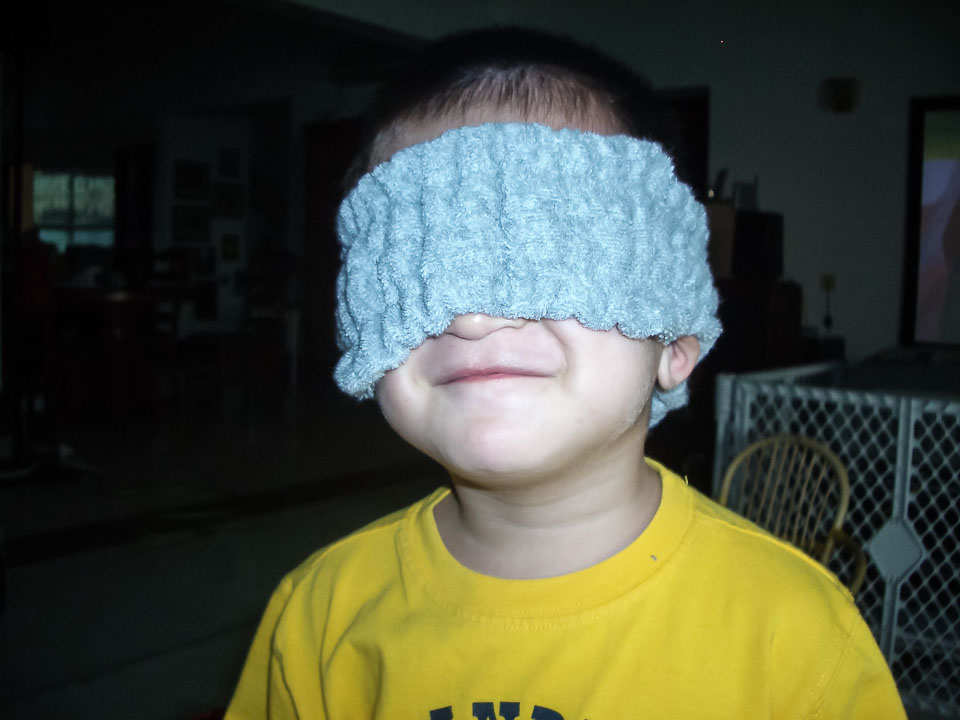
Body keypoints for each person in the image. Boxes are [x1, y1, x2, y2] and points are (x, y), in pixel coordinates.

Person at [225, 27, 905, 718]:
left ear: (675, 339)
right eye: (418, 264)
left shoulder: (797, 641)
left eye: (545, 255)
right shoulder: (320, 619)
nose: (473, 319)